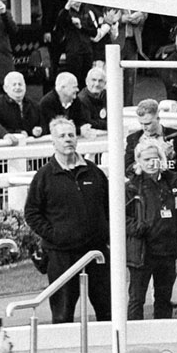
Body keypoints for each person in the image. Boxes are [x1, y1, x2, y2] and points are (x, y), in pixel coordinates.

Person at [22, 117, 113, 324]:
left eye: (71, 135)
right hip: (61, 255)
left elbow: (109, 206)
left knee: (107, 310)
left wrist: (105, 233)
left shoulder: (94, 172)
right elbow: (32, 212)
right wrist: (55, 235)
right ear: (53, 141)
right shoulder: (44, 176)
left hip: (96, 253)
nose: (67, 139)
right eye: (62, 136)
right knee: (62, 315)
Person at [123, 138, 177, 321]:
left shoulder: (173, 181)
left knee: (164, 298)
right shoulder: (131, 186)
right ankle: (135, 334)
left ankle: (163, 332)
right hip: (142, 251)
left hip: (168, 249)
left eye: (154, 158)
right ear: (139, 161)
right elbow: (120, 217)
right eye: (146, 159)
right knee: (137, 298)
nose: (151, 163)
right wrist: (139, 228)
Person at [0, 70, 45, 138]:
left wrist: (39, 130)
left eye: (20, 84)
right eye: (14, 85)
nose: (17, 87)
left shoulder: (34, 105)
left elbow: (44, 125)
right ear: (5, 88)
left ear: (25, 86)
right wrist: (17, 133)